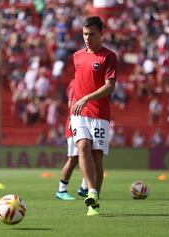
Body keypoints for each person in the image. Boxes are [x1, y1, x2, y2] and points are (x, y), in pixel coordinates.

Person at [70, 16, 117, 216]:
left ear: (101, 34)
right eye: (85, 34)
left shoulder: (108, 56)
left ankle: (94, 199)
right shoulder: (77, 56)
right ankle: (90, 190)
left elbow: (110, 86)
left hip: (99, 114)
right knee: (82, 146)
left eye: (91, 34)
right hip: (79, 111)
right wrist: (76, 101)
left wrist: (87, 98)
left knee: (97, 157)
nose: (87, 38)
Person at [56, 79, 88, 200]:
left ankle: (85, 188)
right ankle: (61, 190)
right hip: (76, 123)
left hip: (85, 122)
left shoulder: (86, 81)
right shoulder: (75, 83)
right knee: (73, 158)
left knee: (89, 154)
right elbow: (71, 105)